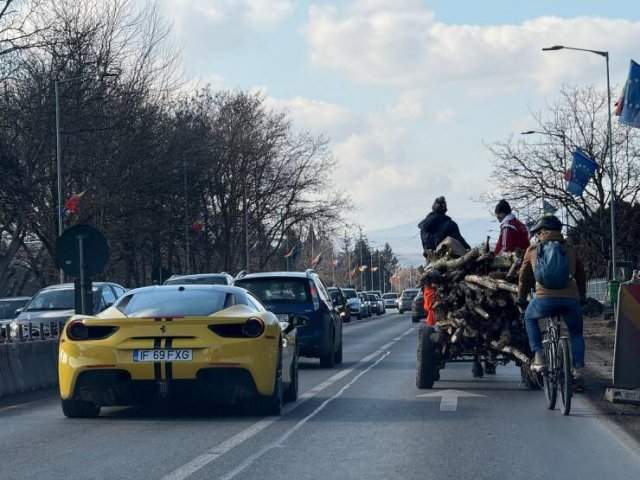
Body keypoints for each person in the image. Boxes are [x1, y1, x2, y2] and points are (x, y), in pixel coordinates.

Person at [517, 215, 587, 389]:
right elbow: (581, 275)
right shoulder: (570, 249)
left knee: (529, 317)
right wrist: (582, 297)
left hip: (543, 300)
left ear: (541, 232)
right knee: (576, 334)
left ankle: (539, 357)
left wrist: (521, 298)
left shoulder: (532, 250)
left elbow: (523, 278)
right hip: (570, 300)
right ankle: (578, 371)